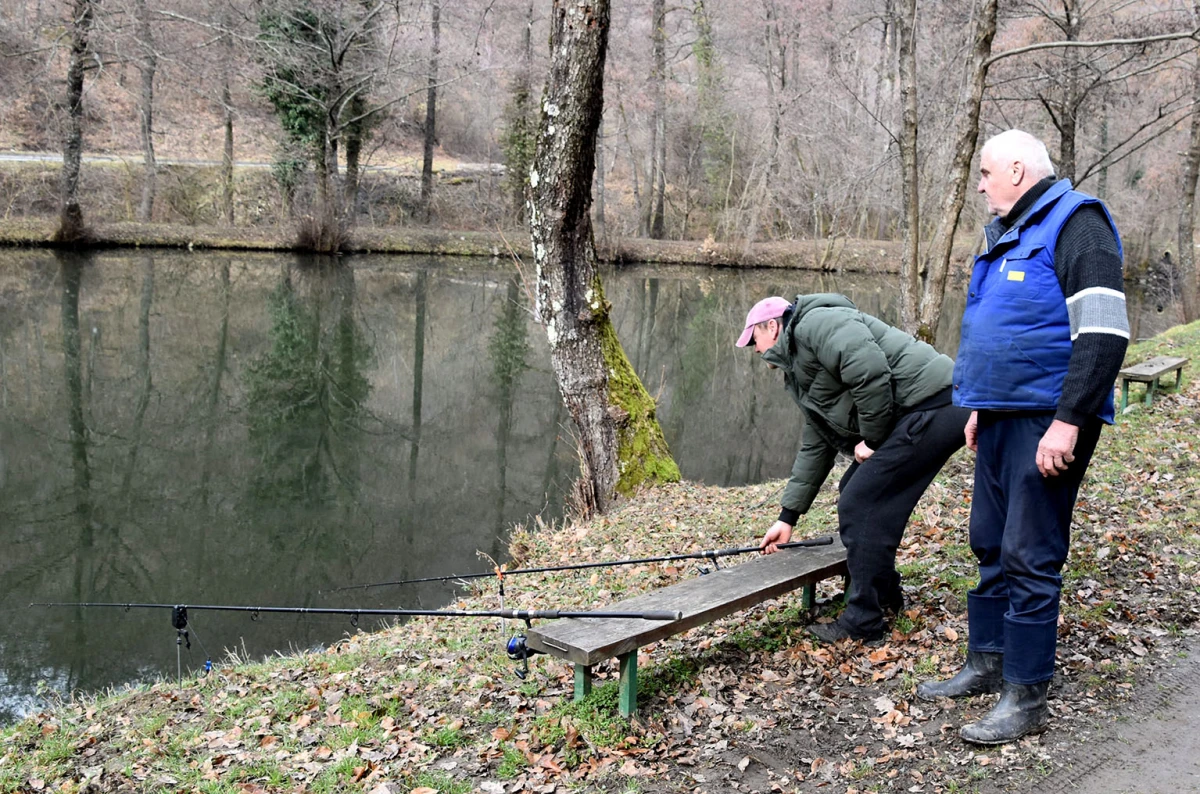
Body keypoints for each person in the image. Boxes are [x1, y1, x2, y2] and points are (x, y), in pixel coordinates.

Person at [917, 129, 1129, 745]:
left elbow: (1104, 335)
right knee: (988, 541)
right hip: (1001, 416)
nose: (979, 184)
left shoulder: (1077, 224)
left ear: (1017, 168)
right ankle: (986, 661)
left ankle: (1025, 692)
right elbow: (999, 327)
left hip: (1049, 418)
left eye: (985, 173)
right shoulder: (1007, 229)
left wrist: (1068, 421)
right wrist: (980, 407)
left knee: (1029, 552)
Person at [737, 293, 972, 643]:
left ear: (772, 326)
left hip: (935, 404)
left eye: (754, 340)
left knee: (860, 503)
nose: (756, 351)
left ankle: (863, 621)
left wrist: (874, 441)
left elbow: (871, 372)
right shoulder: (799, 367)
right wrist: (787, 517)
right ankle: (882, 596)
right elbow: (816, 443)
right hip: (918, 412)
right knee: (857, 491)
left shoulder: (818, 324)